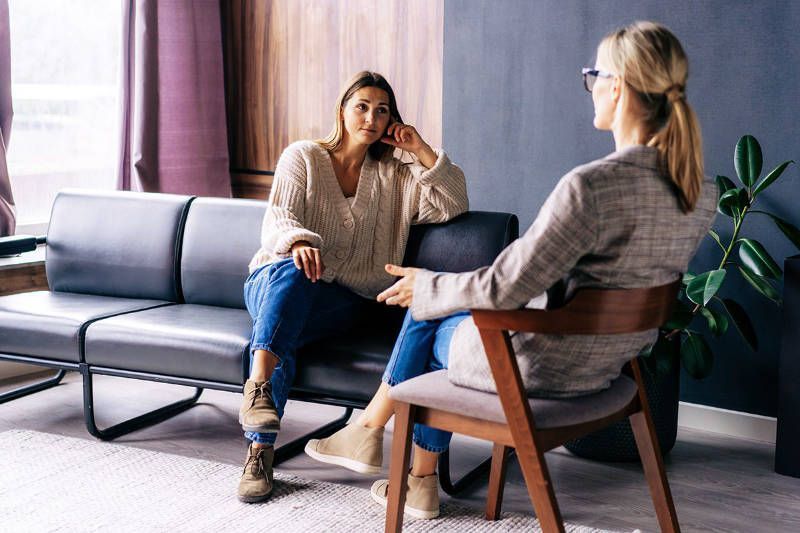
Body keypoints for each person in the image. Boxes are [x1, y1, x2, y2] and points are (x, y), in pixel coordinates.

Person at [305, 21, 718, 520]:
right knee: (439, 298)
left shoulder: (591, 186)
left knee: (428, 310)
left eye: (593, 75)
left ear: (618, 87)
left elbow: (505, 285)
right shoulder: (699, 191)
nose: (590, 88)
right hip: (609, 366)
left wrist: (428, 285)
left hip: (541, 368)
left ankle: (380, 444)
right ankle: (407, 472)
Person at [237, 71, 469, 502]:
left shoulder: (397, 177)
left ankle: (259, 442)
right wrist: (300, 241)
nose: (371, 117)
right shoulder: (303, 156)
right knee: (294, 275)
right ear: (342, 111)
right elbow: (277, 219)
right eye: (361, 106)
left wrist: (420, 150)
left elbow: (453, 205)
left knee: (288, 320)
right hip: (274, 279)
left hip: (346, 301)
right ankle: (259, 405)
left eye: (382, 110)